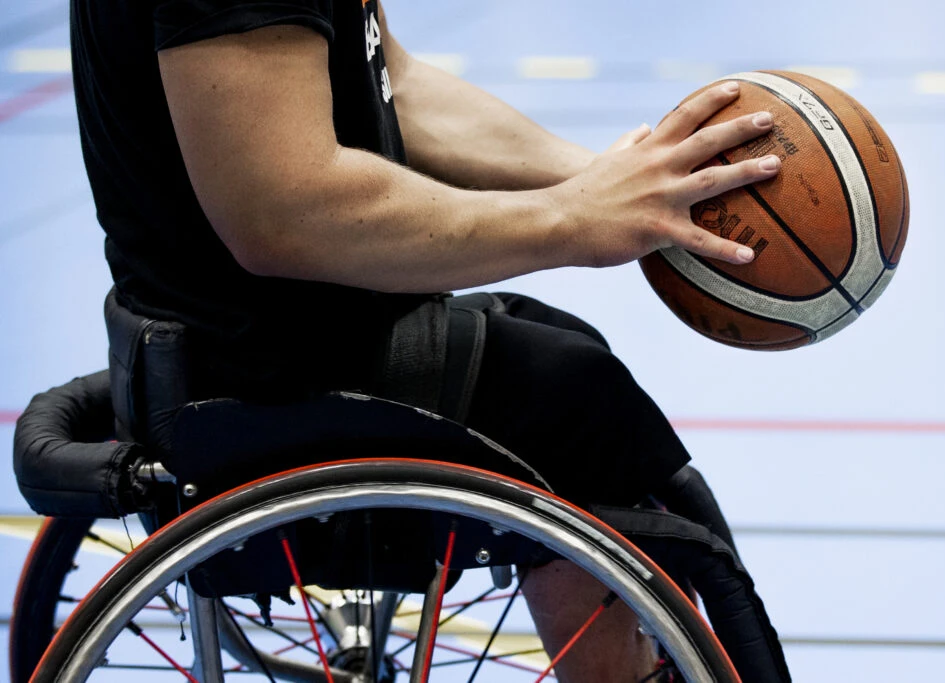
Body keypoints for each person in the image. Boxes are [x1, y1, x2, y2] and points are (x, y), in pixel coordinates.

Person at [71, 0, 779, 679]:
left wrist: (600, 178)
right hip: (265, 374)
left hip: (266, 335)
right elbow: (286, 210)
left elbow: (396, 86)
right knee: (579, 403)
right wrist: (569, 219)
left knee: (566, 353)